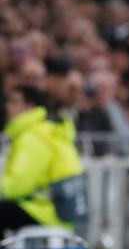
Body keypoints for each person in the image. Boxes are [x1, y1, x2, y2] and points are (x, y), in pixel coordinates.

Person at [1, 86, 84, 237]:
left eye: (14, 102)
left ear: (29, 107)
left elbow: (16, 186)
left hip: (44, 212)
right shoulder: (47, 131)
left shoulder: (34, 136)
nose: (7, 107)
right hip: (61, 211)